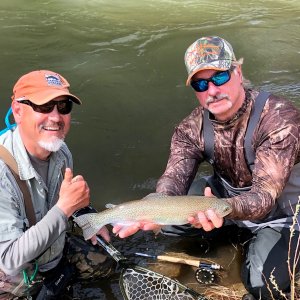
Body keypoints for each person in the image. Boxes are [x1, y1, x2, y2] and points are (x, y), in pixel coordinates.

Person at [113, 36, 300, 300]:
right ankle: (224, 234)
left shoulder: (279, 119)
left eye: (220, 78)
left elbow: (265, 197)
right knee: (169, 224)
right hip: (221, 205)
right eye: (201, 84)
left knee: (262, 285)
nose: (212, 90)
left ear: (238, 72)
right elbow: (172, 181)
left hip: (280, 215)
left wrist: (223, 209)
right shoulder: (190, 129)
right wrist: (151, 210)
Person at [0, 70, 113, 299]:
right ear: (19, 111)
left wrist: (90, 218)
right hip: (10, 270)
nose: (56, 117)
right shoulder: (2, 173)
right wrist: (64, 209)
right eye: (44, 106)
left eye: (63, 107)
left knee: (105, 264)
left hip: (49, 251)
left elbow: (63, 201)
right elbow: (9, 260)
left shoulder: (60, 151)